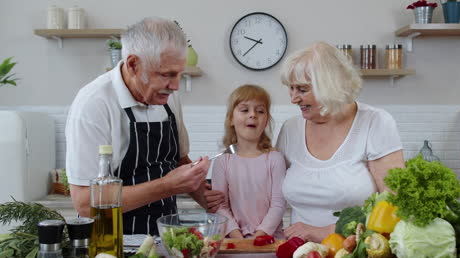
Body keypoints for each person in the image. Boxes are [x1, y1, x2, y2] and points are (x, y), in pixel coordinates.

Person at [65, 17, 222, 235]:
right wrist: (166, 186)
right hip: (112, 242)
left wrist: (206, 197)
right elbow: (84, 203)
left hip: (167, 237)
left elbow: (178, 159)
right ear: (133, 65)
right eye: (166, 75)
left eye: (179, 74)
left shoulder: (166, 95)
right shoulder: (94, 104)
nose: (175, 86)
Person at [276, 41, 405, 242]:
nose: (293, 98)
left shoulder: (375, 122)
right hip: (300, 253)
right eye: (290, 89)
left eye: (302, 90)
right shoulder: (290, 129)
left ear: (329, 87)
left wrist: (328, 231)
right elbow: (268, 186)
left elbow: (394, 202)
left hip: (354, 252)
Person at [212, 84, 287, 239]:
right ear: (231, 119)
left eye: (260, 111)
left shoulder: (275, 158)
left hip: (270, 239)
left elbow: (278, 206)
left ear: (266, 120)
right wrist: (238, 237)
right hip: (233, 240)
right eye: (245, 110)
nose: (253, 115)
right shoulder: (222, 161)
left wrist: (259, 236)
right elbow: (220, 206)